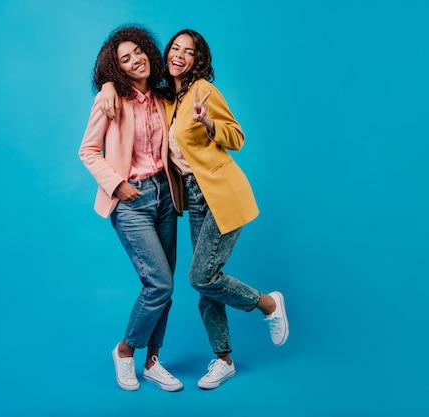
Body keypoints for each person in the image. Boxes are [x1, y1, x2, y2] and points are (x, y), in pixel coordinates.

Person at [99, 29, 289, 390]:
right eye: (175, 48)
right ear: (166, 54)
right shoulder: (167, 97)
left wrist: (208, 122)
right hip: (192, 198)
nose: (179, 55)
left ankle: (267, 304)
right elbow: (128, 78)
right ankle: (224, 360)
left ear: (197, 60)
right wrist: (108, 84)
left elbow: (237, 137)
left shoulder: (203, 90)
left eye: (189, 52)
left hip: (220, 193)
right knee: (206, 285)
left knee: (201, 277)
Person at [78, 25, 183, 392]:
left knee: (166, 288)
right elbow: (88, 151)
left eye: (138, 52)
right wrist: (117, 184)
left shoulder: (162, 96)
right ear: (116, 69)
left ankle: (154, 361)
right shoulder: (110, 100)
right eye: (125, 58)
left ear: (149, 54)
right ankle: (125, 351)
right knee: (159, 283)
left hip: (165, 197)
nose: (135, 59)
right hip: (132, 201)